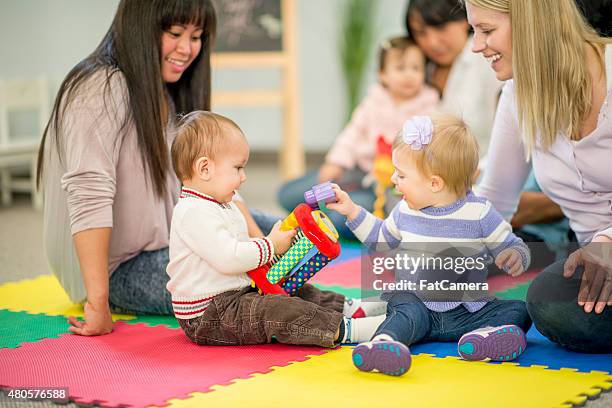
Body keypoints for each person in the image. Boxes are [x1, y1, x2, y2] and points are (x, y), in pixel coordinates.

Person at [35, 0, 275, 337]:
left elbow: (218, 183)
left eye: (196, 36)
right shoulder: (100, 88)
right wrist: (98, 303)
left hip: (173, 239)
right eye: (175, 33)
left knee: (280, 229)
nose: (187, 49)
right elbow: (89, 195)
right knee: (252, 262)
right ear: (139, 28)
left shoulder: (170, 92)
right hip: (120, 269)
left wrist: (259, 240)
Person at [327, 115, 532, 376]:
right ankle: (385, 343)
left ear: (435, 183)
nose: (392, 179)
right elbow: (381, 238)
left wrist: (515, 255)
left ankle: (483, 338)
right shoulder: (404, 211)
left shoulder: (479, 213)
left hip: (466, 312)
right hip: (417, 306)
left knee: (520, 309)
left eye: (401, 175)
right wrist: (352, 211)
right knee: (402, 310)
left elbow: (512, 244)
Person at [166, 111, 387, 347]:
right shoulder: (193, 211)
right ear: (205, 169)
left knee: (298, 289)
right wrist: (271, 245)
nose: (243, 177)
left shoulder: (219, 204)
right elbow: (229, 258)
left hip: (236, 294)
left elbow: (241, 248)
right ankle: (346, 330)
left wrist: (277, 250)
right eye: (238, 168)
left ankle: (352, 308)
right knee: (277, 310)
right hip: (210, 314)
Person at [464, 0, 612, 352]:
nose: (475, 45)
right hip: (595, 271)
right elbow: (494, 201)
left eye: (486, 30)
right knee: (549, 302)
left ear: (533, 24)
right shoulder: (518, 97)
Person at [278, 36, 439, 238]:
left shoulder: (429, 106)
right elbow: (351, 134)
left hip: (386, 189)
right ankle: (324, 206)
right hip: (355, 170)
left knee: (338, 219)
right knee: (288, 194)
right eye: (400, 68)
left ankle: (328, 214)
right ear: (383, 74)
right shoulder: (373, 101)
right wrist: (335, 164)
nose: (409, 75)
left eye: (416, 68)